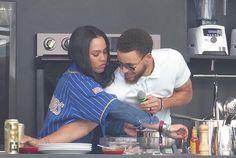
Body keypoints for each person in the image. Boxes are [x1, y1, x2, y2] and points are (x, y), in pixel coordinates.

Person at [22, 26, 188, 148]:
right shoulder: (77, 81)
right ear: (81, 56)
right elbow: (116, 108)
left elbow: (85, 124)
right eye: (95, 54)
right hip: (57, 152)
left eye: (105, 52)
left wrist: (121, 127)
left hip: (68, 148)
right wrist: (163, 126)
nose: (103, 58)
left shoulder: (90, 79)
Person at [105, 28, 192, 136]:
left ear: (148, 57)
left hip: (164, 140)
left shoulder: (172, 59)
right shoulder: (113, 86)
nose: (124, 70)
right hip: (126, 144)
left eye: (130, 66)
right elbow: (102, 121)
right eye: (121, 64)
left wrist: (163, 103)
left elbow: (187, 93)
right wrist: (122, 127)